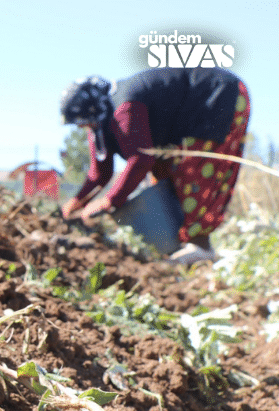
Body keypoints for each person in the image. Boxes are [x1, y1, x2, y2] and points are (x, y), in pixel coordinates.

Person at [59, 67, 251, 264]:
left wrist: (109, 200)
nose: (81, 127)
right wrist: (77, 201)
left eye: (82, 121)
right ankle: (177, 245)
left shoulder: (124, 107)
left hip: (216, 96)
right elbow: (100, 172)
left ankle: (200, 247)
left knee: (193, 170)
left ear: (93, 110)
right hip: (194, 114)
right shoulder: (101, 122)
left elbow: (141, 160)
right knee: (162, 174)